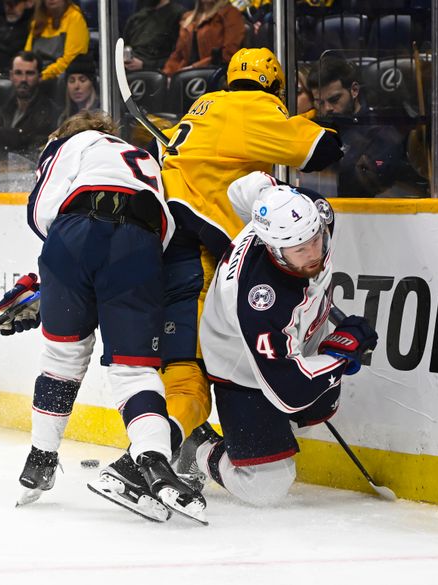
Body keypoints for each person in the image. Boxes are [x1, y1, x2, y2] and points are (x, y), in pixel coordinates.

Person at [100, 48, 343, 483]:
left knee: (191, 366)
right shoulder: (252, 108)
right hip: (198, 257)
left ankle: (171, 449)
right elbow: (323, 148)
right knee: (189, 374)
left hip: (178, 246)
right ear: (274, 85)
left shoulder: (205, 107)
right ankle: (142, 462)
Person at [0, 110, 206, 524]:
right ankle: (156, 463)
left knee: (62, 360)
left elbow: (42, 211)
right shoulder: (143, 157)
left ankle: (39, 461)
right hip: (141, 248)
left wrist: (51, 282)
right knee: (134, 370)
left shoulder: (69, 143)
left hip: (72, 241)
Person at [175, 170, 378, 506]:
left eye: (317, 239)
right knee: (266, 489)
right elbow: (290, 390)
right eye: (299, 249)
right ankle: (197, 447)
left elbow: (243, 188)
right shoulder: (260, 301)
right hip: (239, 361)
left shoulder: (312, 209)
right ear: (273, 248)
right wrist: (341, 352)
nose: (313, 253)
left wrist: (270, 195)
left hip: (290, 337)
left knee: (320, 408)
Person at [307, 55, 418, 197]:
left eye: (334, 99)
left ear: (354, 90)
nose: (327, 108)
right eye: (319, 102)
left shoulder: (380, 133)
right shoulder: (314, 129)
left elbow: (380, 186)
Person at [0, 52, 59, 161]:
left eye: (30, 73)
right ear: (11, 76)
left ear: (40, 77)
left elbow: (37, 154)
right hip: (1, 172)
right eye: (18, 73)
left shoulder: (51, 113)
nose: (23, 79)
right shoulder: (2, 109)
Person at [161, 0, 244, 76]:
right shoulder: (188, 18)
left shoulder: (230, 13)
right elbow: (178, 55)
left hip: (216, 75)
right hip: (187, 76)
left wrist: (194, 68)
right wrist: (166, 75)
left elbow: (229, 53)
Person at [23, 0, 89, 81]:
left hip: (60, 78)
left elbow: (71, 60)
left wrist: (43, 76)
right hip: (35, 75)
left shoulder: (75, 18)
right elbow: (27, 56)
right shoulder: (37, 21)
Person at [122, 0, 186, 72]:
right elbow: (124, 48)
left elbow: (179, 57)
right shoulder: (136, 18)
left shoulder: (178, 15)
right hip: (128, 71)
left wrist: (145, 65)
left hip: (158, 73)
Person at [0, 0, 35, 79]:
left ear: (27, 4)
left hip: (8, 77)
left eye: (15, 4)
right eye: (7, 4)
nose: (10, 8)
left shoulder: (30, 27)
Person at [56, 55, 99, 126]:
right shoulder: (63, 118)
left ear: (92, 83)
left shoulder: (103, 113)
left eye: (82, 80)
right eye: (71, 81)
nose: (76, 86)